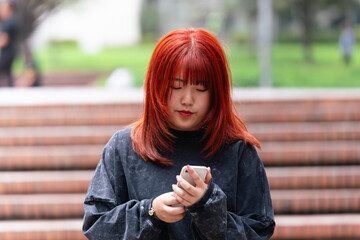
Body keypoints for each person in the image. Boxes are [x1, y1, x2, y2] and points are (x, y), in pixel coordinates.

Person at [82, 27, 275, 240]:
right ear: (157, 85)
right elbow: (96, 225)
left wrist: (208, 207)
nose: (187, 99)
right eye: (176, 86)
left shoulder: (238, 151)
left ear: (217, 92)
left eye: (200, 89)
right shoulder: (124, 147)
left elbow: (260, 231)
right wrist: (150, 212)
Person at [0, 0, 19, 87]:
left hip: (7, 52)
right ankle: (11, 88)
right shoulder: (13, 21)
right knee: (8, 72)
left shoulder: (8, 22)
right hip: (12, 52)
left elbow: (4, 39)